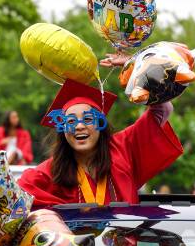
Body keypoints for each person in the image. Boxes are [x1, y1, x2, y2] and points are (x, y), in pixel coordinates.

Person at [18, 78, 183, 207]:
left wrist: (133, 69)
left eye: (88, 119)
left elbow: (163, 109)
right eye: (71, 121)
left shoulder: (122, 147)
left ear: (100, 124)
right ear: (62, 129)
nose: (80, 126)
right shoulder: (49, 172)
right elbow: (15, 200)